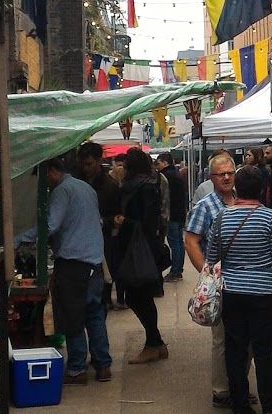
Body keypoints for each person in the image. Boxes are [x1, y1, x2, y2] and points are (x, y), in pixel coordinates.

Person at [205, 165, 272, 414]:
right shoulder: (270, 219)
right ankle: (270, 412)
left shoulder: (222, 218)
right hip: (263, 294)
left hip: (232, 293)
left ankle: (240, 409)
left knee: (235, 351)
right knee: (265, 352)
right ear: (262, 190)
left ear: (237, 188)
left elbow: (212, 259)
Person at [17, 156, 112, 385]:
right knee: (94, 315)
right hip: (94, 262)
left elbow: (50, 225)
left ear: (51, 171)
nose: (44, 183)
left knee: (73, 316)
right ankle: (103, 365)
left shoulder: (61, 191)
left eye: (43, 177)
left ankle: (77, 369)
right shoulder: (85, 188)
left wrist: (20, 238)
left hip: (74, 264)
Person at [184, 151, 253, 408]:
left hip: (244, 280)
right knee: (222, 337)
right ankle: (222, 391)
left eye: (229, 173)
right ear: (211, 178)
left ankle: (240, 385)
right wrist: (207, 272)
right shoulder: (205, 207)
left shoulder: (242, 201)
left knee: (245, 337)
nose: (226, 178)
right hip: (220, 283)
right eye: (220, 174)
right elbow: (191, 240)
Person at [113, 149, 169, 364]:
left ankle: (153, 343)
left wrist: (123, 222)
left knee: (139, 296)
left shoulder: (143, 188)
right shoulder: (146, 185)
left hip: (140, 250)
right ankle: (155, 342)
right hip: (141, 249)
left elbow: (148, 223)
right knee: (140, 296)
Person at [78, 141, 122, 308]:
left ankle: (104, 301)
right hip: (80, 243)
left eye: (89, 164)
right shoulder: (77, 181)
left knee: (101, 283)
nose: (86, 168)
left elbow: (117, 215)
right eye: (83, 164)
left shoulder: (109, 186)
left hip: (103, 242)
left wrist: (106, 221)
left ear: (98, 161)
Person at [157, 152, 187, 280]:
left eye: (158, 163)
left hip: (172, 214)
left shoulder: (165, 176)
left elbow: (165, 198)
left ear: (165, 162)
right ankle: (178, 269)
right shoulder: (177, 174)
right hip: (180, 213)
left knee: (174, 243)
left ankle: (175, 271)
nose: (157, 166)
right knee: (179, 242)